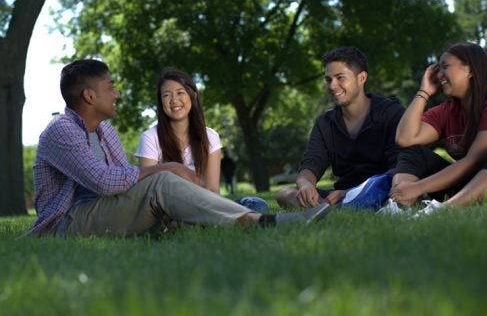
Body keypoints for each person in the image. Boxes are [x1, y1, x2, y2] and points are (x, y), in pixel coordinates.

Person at [27, 59, 330, 237]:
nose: (117, 93)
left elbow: (123, 177)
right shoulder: (61, 131)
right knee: (162, 180)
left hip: (103, 210)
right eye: (110, 87)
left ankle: (243, 217)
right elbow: (106, 181)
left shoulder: (104, 129)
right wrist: (170, 168)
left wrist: (165, 179)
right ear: (89, 96)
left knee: (164, 187)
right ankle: (260, 222)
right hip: (67, 222)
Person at [276, 47, 405, 209]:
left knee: (396, 187)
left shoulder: (391, 113)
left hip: (383, 188)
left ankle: (332, 209)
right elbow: (310, 165)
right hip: (340, 194)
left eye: (340, 78)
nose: (332, 86)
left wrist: (351, 192)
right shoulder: (325, 123)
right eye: (328, 80)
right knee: (285, 194)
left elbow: (400, 168)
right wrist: (305, 184)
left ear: (362, 78)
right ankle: (330, 208)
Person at [134, 67, 269, 214]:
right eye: (166, 95)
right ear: (160, 102)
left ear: (192, 96)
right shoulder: (149, 137)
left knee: (257, 205)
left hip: (205, 205)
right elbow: (148, 192)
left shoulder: (210, 136)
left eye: (180, 92)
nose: (174, 100)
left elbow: (212, 190)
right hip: (169, 210)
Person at [390, 42, 487, 214]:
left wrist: (419, 187)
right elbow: (404, 139)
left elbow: (474, 160)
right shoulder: (447, 110)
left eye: (445, 67)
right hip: (464, 188)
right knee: (413, 152)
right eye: (438, 69)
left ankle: (441, 211)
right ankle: (398, 207)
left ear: (470, 69)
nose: (439, 74)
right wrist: (424, 91)